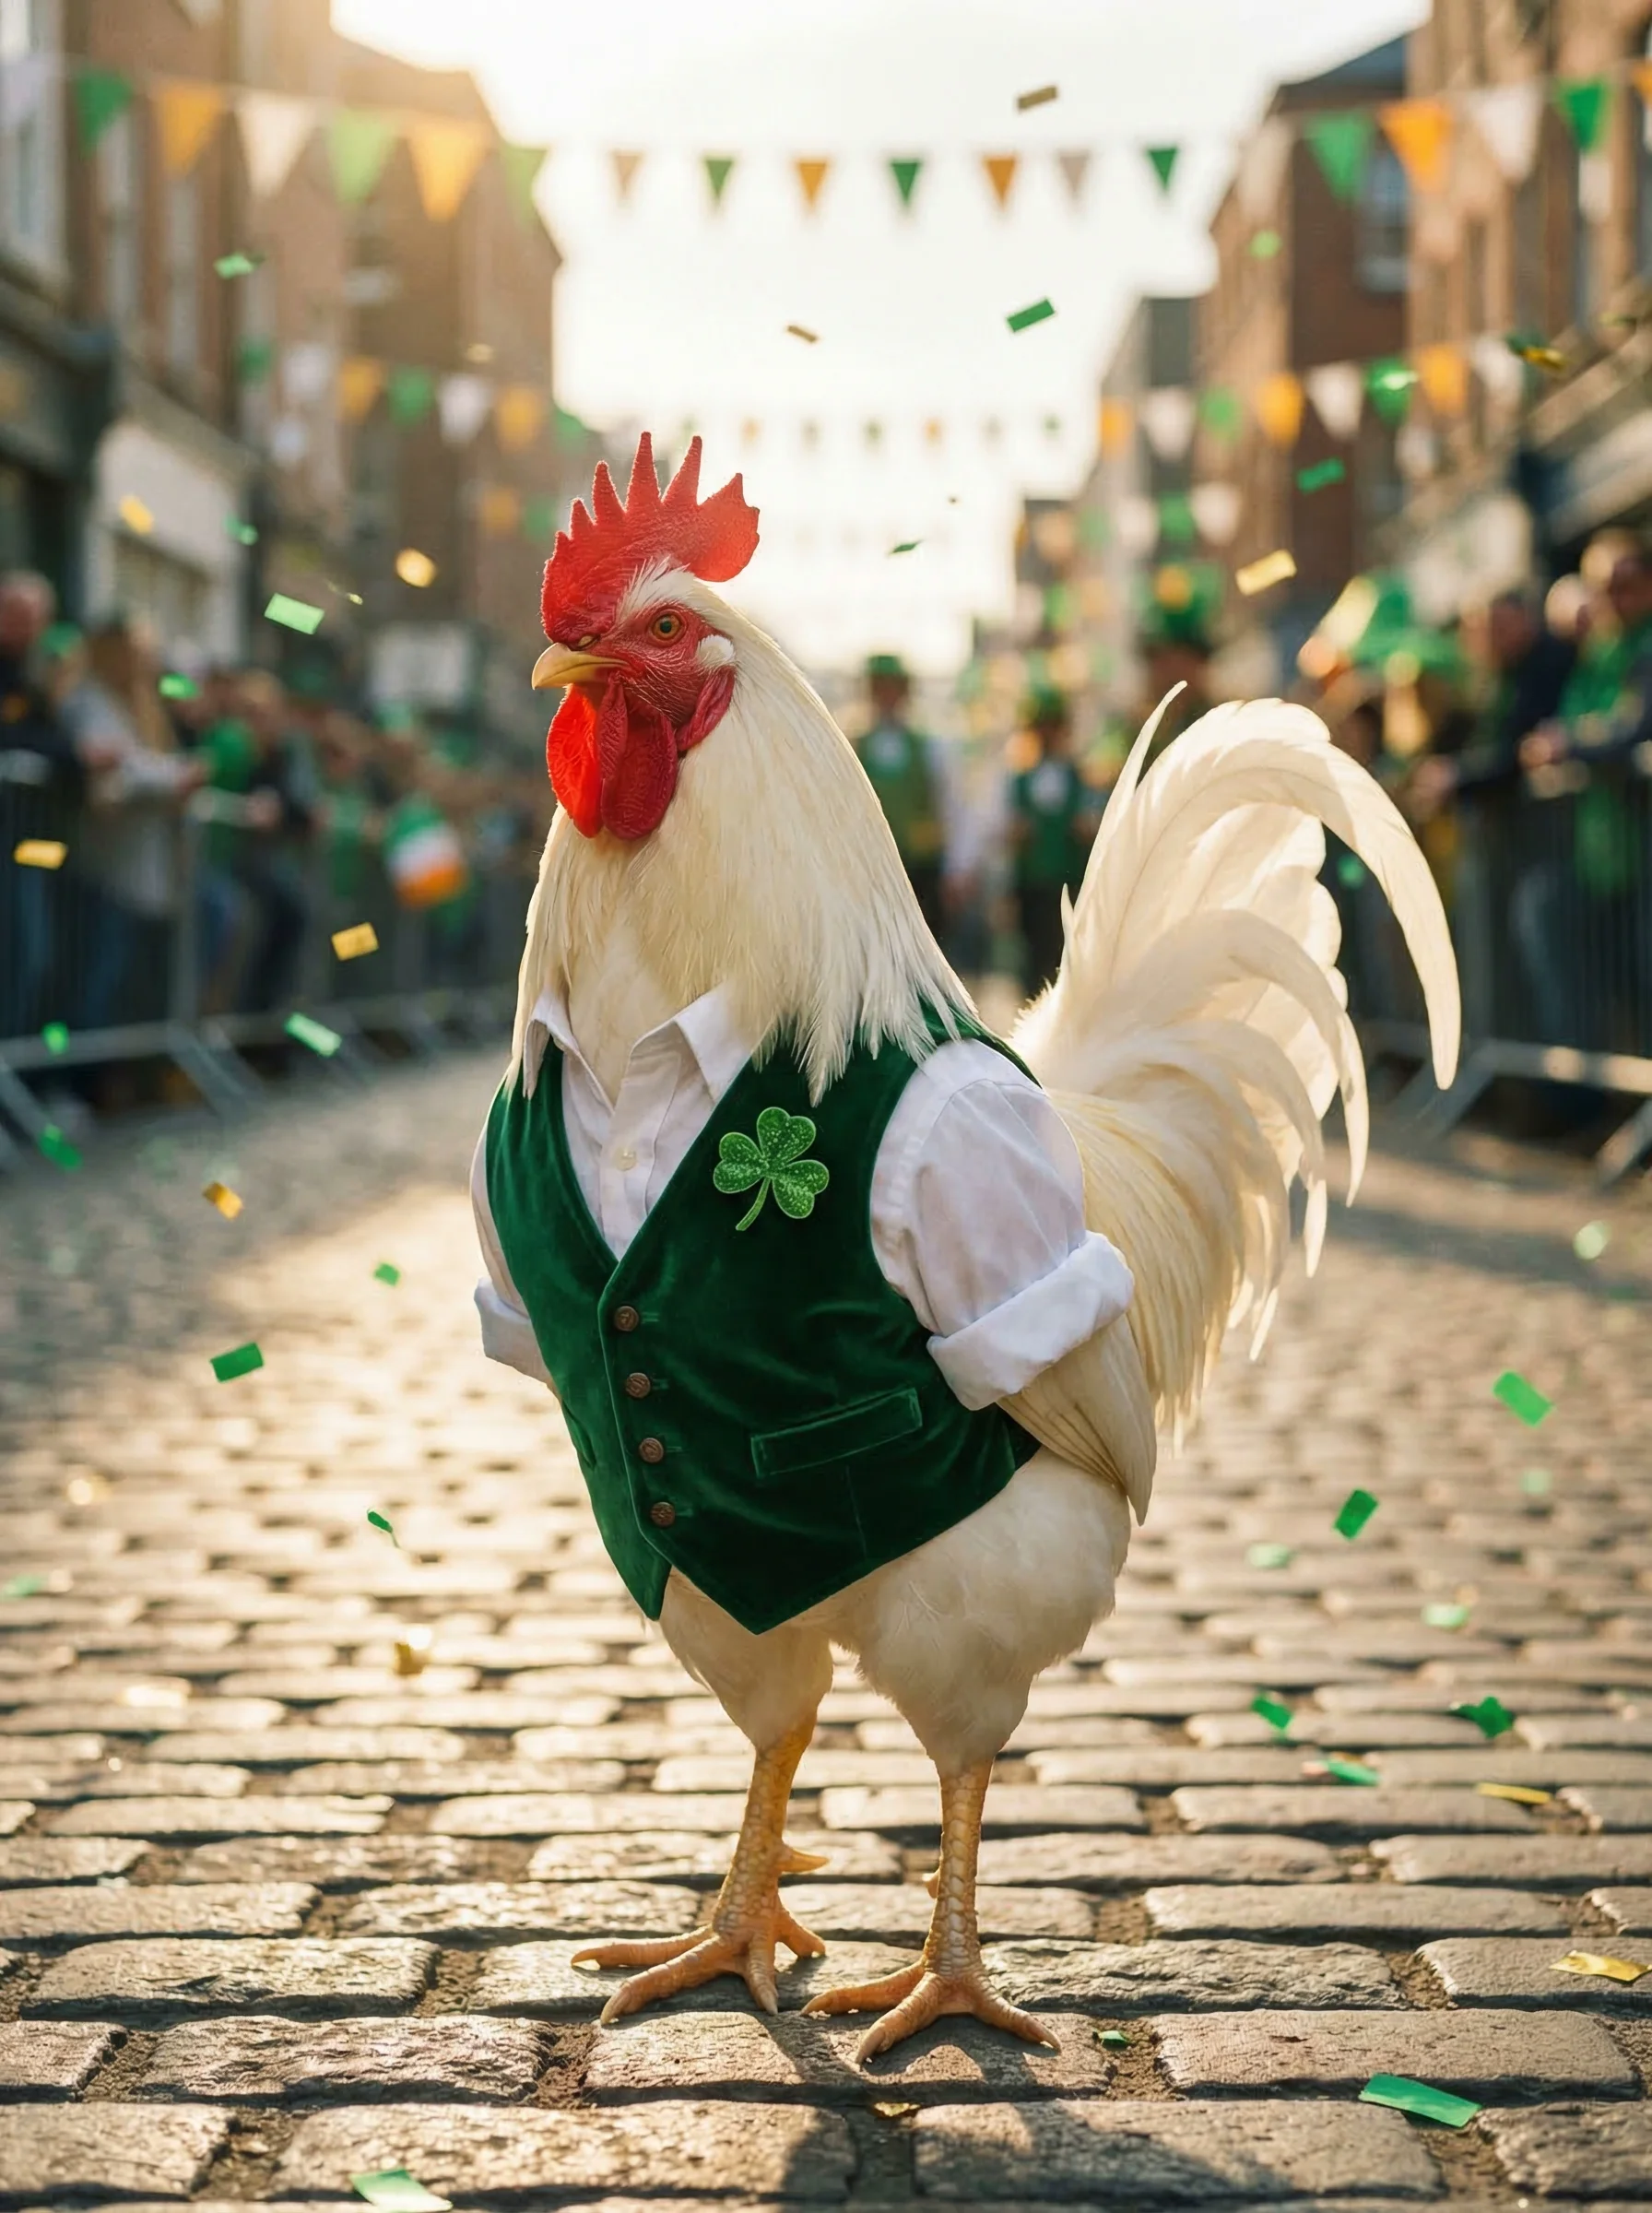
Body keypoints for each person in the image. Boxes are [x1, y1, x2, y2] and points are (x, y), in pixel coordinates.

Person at [59, 615, 207, 1031]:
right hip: (102, 867)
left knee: (123, 980)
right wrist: (175, 777)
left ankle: (111, 1064)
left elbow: (131, 765)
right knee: (96, 977)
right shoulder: (88, 700)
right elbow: (117, 766)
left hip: (140, 869)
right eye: (139, 653)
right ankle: (80, 1065)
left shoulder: (141, 708)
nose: (147, 663)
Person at [0, 573, 93, 1041]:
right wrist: (69, 757)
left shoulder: (32, 679)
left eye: (33, 618)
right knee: (25, 950)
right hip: (11, 842)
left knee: (34, 954)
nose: (24, 627)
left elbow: (52, 744)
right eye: (15, 614)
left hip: (30, 843)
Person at [1006, 686, 1099, 997]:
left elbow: (1090, 825)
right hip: (1031, 881)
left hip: (1068, 879)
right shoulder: (1020, 780)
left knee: (1065, 953)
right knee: (1032, 955)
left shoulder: (1079, 778)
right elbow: (1009, 831)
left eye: (1053, 726)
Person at [853, 653, 948, 938]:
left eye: (892, 687)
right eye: (879, 687)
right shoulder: (855, 746)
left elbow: (947, 803)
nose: (886, 695)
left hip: (921, 864)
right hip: (871, 867)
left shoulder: (929, 747)